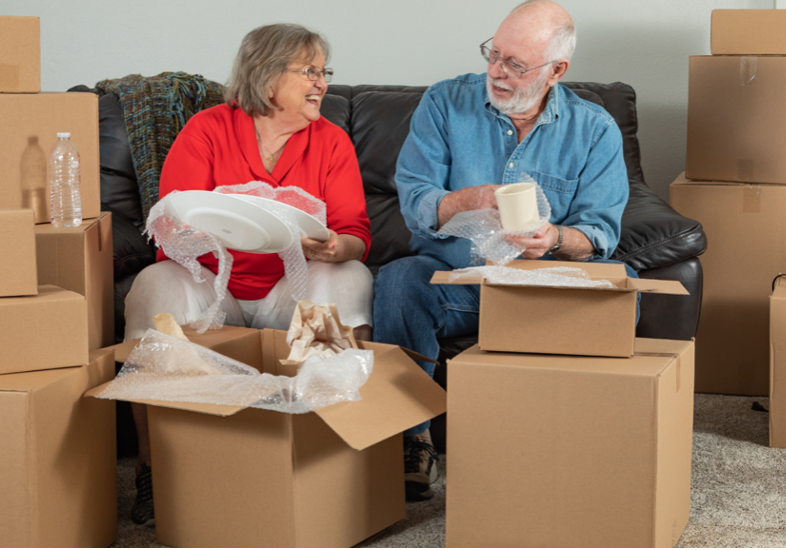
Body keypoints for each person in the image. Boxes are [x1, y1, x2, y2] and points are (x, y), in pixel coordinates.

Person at [373, 0, 638, 502]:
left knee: (621, 288)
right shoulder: (445, 103)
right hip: (457, 280)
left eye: (515, 64)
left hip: (541, 286)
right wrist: (470, 199)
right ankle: (412, 439)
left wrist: (554, 238)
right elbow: (414, 202)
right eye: (493, 55)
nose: (496, 72)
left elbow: (599, 233)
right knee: (400, 278)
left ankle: (579, 439)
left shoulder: (595, 128)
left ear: (557, 69)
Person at [125, 24, 373, 526]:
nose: (322, 83)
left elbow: (356, 233)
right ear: (266, 77)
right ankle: (158, 468)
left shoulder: (332, 141)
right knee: (153, 285)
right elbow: (174, 222)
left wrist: (333, 247)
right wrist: (226, 227)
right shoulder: (207, 129)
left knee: (349, 276)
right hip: (216, 289)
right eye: (310, 71)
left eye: (324, 72)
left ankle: (330, 446)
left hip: (292, 290)